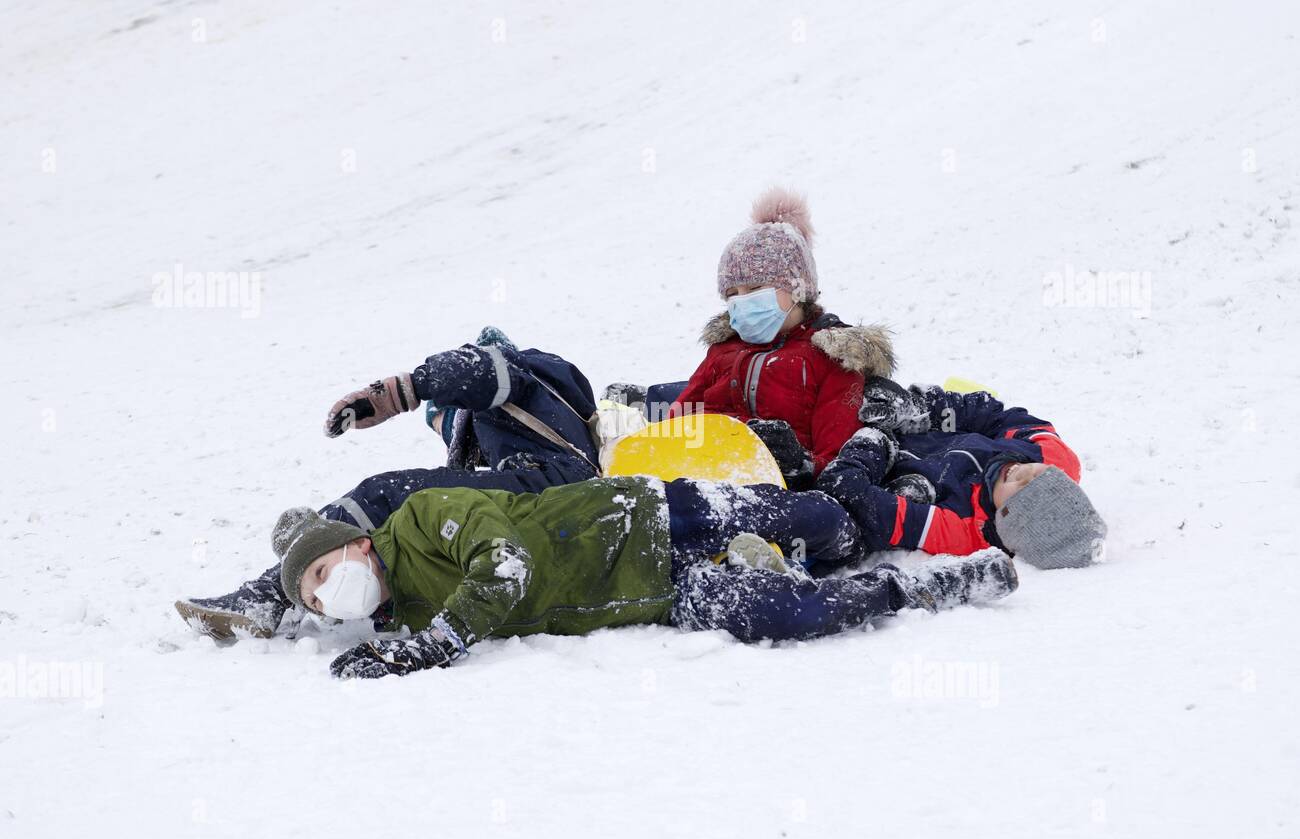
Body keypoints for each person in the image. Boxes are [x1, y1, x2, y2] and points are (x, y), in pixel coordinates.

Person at [267, 476, 1019, 679]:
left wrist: (436, 643)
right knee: (786, 614)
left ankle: (904, 488)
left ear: (361, 545)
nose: (329, 591)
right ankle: (926, 587)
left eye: (329, 569)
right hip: (660, 593)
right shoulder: (399, 620)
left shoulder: (428, 517)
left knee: (823, 519)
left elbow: (507, 565)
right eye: (314, 593)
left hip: (650, 518)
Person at [175, 329, 604, 639]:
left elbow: (478, 371)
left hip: (558, 483)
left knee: (390, 492)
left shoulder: (514, 374)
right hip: (543, 484)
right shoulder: (492, 418)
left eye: (443, 417)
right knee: (413, 505)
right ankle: (322, 573)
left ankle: (276, 589)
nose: (442, 425)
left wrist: (399, 393)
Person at [663, 187, 896, 488]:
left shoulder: (832, 357)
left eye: (756, 289)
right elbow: (676, 421)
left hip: (779, 489)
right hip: (705, 475)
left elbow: (839, 459)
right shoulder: (723, 351)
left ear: (798, 289)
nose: (742, 302)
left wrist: (799, 462)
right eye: (732, 294)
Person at [816, 380, 1107, 569]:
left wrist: (869, 447)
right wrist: (922, 409)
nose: (1023, 473)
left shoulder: (965, 531)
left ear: (1008, 523)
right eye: (1040, 475)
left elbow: (873, 511)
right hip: (899, 420)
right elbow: (992, 414)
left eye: (1022, 490)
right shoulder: (1052, 456)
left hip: (859, 453)